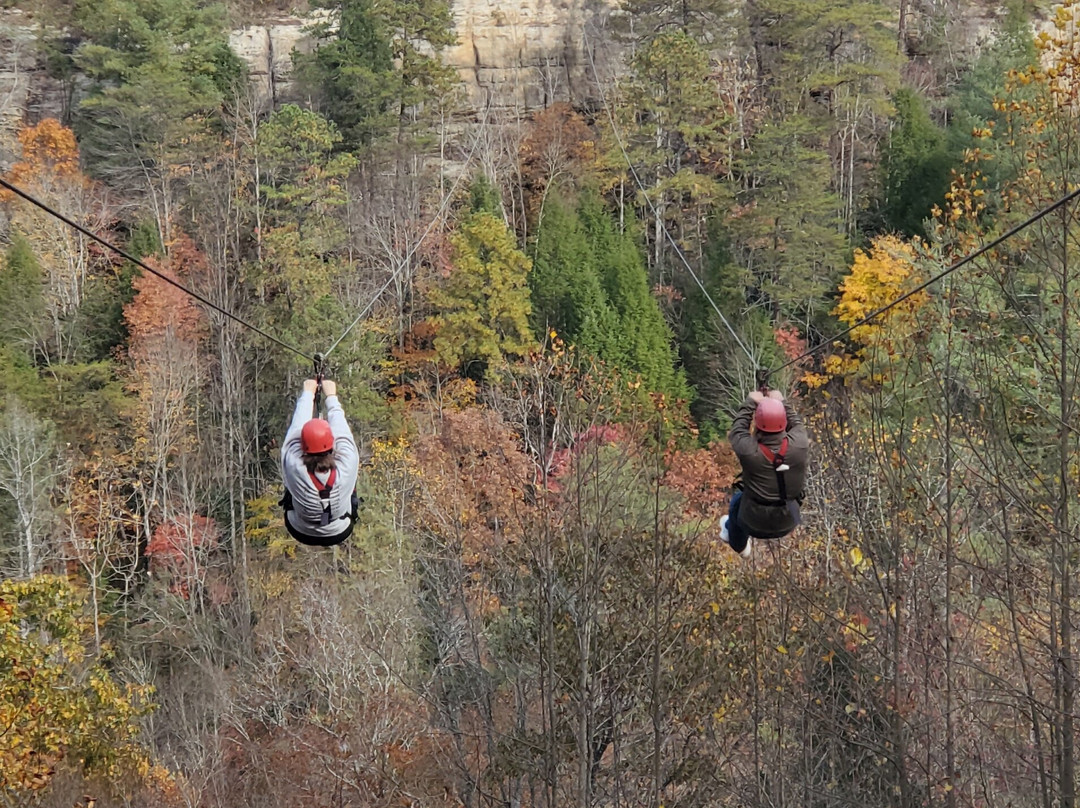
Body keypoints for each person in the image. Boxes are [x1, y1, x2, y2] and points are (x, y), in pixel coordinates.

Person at [720, 389, 808, 558]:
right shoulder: (800, 444)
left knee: (738, 499)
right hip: (789, 520)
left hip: (752, 521)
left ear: (758, 425)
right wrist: (781, 402)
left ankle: (738, 544)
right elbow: (796, 423)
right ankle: (732, 532)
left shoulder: (748, 450)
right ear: (783, 423)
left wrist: (751, 402)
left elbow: (738, 429)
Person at [280, 378, 360, 546]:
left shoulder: (293, 463)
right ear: (332, 443)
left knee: (291, 485)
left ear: (303, 445)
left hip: (300, 530)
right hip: (339, 530)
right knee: (350, 485)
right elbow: (341, 430)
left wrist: (308, 393)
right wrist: (331, 396)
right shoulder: (347, 461)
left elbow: (296, 428)